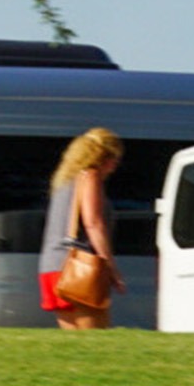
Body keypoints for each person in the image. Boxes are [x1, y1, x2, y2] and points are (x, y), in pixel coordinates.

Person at [37, 128, 126, 330]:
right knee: (97, 342)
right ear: (102, 156)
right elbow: (93, 223)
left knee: (75, 345)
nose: (114, 166)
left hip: (51, 268)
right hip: (79, 269)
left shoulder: (64, 181)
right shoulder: (90, 176)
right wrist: (111, 268)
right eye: (114, 159)